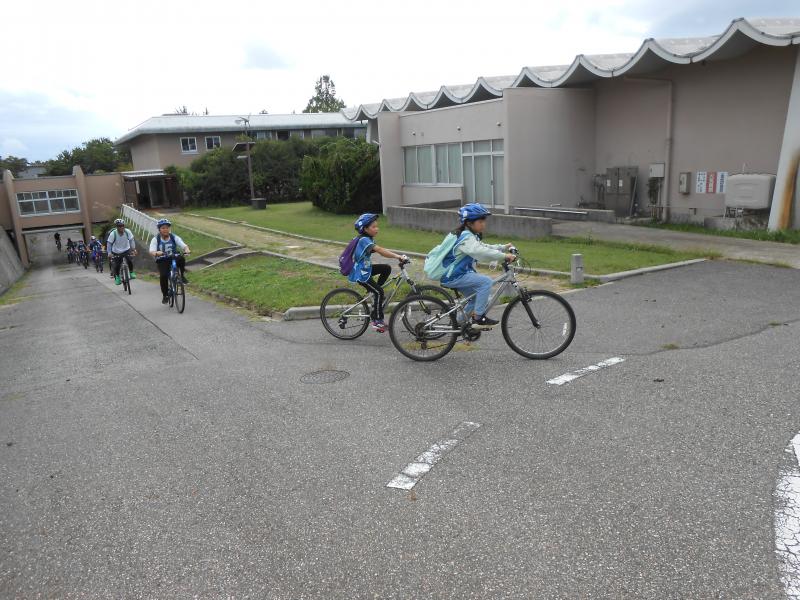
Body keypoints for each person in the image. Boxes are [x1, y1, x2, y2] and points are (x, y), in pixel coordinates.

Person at [439, 203, 516, 330]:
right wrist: (504, 256)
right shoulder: (465, 238)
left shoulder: (468, 235)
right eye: (480, 221)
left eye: (484, 221)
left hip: (458, 274)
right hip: (453, 276)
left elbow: (483, 247)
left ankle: (458, 324)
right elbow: (480, 252)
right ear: (469, 223)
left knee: (476, 298)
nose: (484, 224)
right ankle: (478, 318)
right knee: (486, 282)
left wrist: (502, 247)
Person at [348, 213, 407, 333]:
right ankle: (377, 321)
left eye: (377, 226)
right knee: (379, 292)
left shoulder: (368, 238)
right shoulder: (364, 240)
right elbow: (380, 250)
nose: (377, 229)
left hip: (366, 269)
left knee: (386, 268)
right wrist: (398, 256)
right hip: (360, 273)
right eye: (374, 227)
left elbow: (380, 250)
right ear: (365, 229)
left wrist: (396, 256)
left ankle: (375, 294)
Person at [149, 218, 191, 304]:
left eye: (167, 227)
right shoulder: (156, 239)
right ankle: (165, 295)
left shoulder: (173, 237)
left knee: (181, 258)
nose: (166, 229)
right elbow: (151, 251)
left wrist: (186, 250)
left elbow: (184, 245)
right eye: (163, 228)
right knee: (163, 276)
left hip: (173, 257)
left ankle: (182, 276)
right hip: (162, 259)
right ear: (159, 229)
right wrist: (156, 253)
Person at [106, 218, 137, 285]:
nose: (121, 227)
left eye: (123, 225)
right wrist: (109, 252)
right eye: (119, 226)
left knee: (129, 260)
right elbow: (109, 243)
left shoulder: (127, 232)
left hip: (126, 249)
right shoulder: (113, 234)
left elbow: (131, 240)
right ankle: (117, 277)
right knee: (117, 264)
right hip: (116, 251)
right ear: (117, 227)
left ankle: (131, 272)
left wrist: (133, 249)